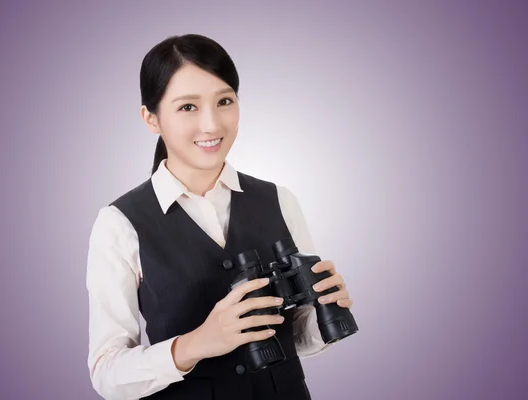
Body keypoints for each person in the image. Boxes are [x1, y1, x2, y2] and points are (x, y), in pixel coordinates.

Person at [86, 33, 354, 400]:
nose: (212, 125)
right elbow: (106, 373)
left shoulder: (279, 199)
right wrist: (197, 343)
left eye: (224, 101)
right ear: (151, 118)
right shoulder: (119, 223)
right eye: (188, 107)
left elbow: (299, 339)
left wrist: (326, 312)